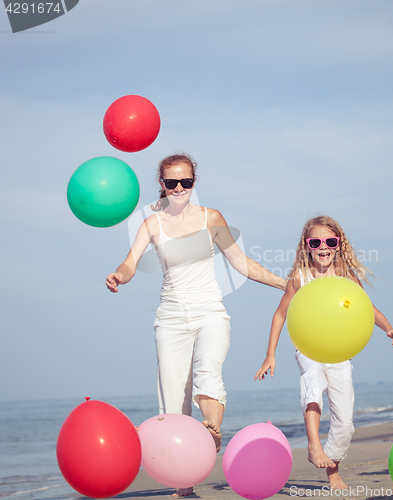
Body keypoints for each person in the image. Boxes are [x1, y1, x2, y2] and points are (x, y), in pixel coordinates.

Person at [106, 153, 285, 498]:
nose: (178, 188)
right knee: (173, 401)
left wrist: (284, 283)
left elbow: (242, 264)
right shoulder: (151, 223)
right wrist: (119, 277)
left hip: (210, 312)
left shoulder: (211, 218)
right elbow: (130, 263)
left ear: (194, 182)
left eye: (185, 182)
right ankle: (183, 482)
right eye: (171, 182)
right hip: (171, 318)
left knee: (209, 371)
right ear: (161, 184)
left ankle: (212, 429)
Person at [254, 215, 393, 490]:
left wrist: (389, 328)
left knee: (345, 421)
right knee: (313, 381)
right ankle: (313, 445)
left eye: (330, 241)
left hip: (339, 352)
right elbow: (280, 314)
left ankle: (333, 469)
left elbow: (368, 310)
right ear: (307, 245)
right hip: (308, 347)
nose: (323, 246)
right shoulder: (299, 278)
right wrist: (270, 354)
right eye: (316, 241)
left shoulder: (346, 277)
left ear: (338, 245)